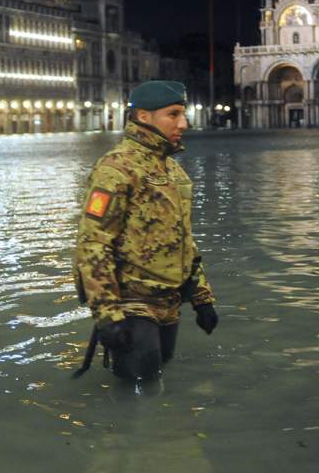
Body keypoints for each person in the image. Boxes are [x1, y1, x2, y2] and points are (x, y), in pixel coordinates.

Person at [73, 81, 218, 381]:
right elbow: (93, 243)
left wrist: (202, 297)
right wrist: (108, 316)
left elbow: (182, 239)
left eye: (183, 113)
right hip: (132, 301)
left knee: (158, 379)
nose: (184, 123)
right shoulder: (115, 169)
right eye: (173, 114)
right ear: (143, 117)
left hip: (169, 300)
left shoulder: (172, 170)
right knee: (138, 389)